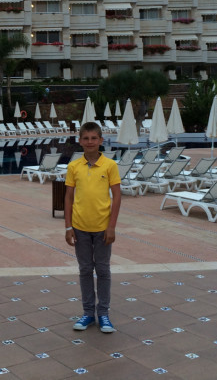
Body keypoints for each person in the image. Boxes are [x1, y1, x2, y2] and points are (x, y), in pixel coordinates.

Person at [64, 121, 121, 333]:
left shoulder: (109, 165)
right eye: (86, 138)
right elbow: (68, 197)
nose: (90, 142)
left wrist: (112, 226)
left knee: (103, 270)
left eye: (93, 138)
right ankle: (88, 313)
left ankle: (103, 313)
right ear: (80, 141)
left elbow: (117, 197)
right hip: (80, 227)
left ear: (101, 140)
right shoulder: (73, 166)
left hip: (102, 228)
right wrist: (68, 227)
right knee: (86, 270)